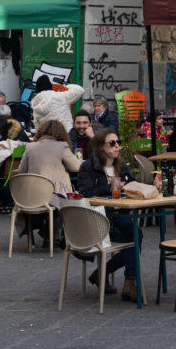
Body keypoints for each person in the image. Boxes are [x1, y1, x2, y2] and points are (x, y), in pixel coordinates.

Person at [77, 128, 160, 301]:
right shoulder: (88, 166)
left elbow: (134, 185)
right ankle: (128, 283)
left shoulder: (121, 165)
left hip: (118, 215)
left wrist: (153, 185)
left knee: (133, 233)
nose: (117, 147)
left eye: (118, 142)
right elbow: (84, 193)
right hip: (97, 219)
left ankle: (118, 278)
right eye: (112, 143)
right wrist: (109, 187)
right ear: (100, 146)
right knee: (134, 235)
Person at [18, 119, 82, 194]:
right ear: (61, 133)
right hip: (57, 195)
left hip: (34, 195)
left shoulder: (30, 147)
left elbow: (21, 171)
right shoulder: (62, 146)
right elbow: (77, 167)